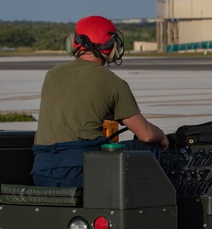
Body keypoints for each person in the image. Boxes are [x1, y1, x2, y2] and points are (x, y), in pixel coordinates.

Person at [32, 15, 169, 187]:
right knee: (149, 148)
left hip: (42, 171)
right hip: (82, 171)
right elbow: (146, 134)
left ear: (74, 43)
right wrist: (162, 136)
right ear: (111, 47)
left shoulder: (52, 74)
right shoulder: (113, 83)